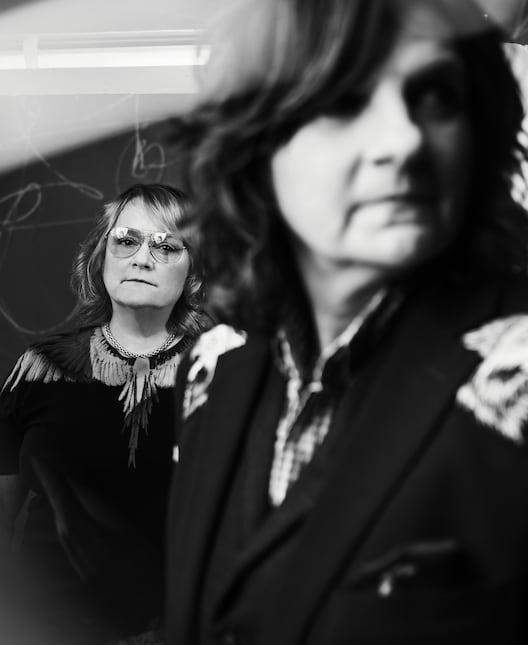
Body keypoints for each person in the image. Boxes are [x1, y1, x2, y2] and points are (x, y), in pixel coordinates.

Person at [163, 0, 528, 643]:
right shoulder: (213, 362)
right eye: (343, 101)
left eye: (437, 95)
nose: (405, 139)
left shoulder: (516, 372)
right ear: (254, 138)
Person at [0, 183, 209, 644]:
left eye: (167, 246)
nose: (142, 259)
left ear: (194, 270)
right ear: (101, 256)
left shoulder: (222, 374)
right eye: (126, 241)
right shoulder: (40, 369)